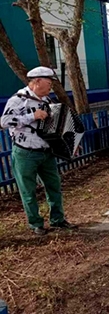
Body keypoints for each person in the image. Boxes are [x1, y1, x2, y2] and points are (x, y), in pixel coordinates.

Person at [0, 66, 77, 235]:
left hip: (46, 152)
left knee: (54, 186)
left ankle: (58, 220)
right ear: (37, 81)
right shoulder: (18, 100)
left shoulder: (47, 101)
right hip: (25, 152)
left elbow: (54, 128)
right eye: (49, 83)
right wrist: (32, 116)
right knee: (28, 190)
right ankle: (36, 224)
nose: (51, 87)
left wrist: (67, 145)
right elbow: (4, 122)